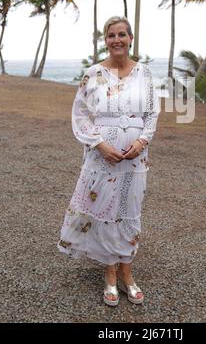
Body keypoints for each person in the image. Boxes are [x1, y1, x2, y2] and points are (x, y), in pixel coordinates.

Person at [58, 16, 160, 306]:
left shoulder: (146, 74)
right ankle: (111, 275)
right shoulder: (92, 74)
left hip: (135, 159)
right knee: (104, 208)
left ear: (130, 39)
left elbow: (152, 113)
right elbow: (80, 114)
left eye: (122, 35)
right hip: (101, 157)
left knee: (129, 210)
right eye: (111, 35)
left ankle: (128, 272)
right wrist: (100, 144)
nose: (117, 40)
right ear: (106, 40)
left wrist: (142, 141)